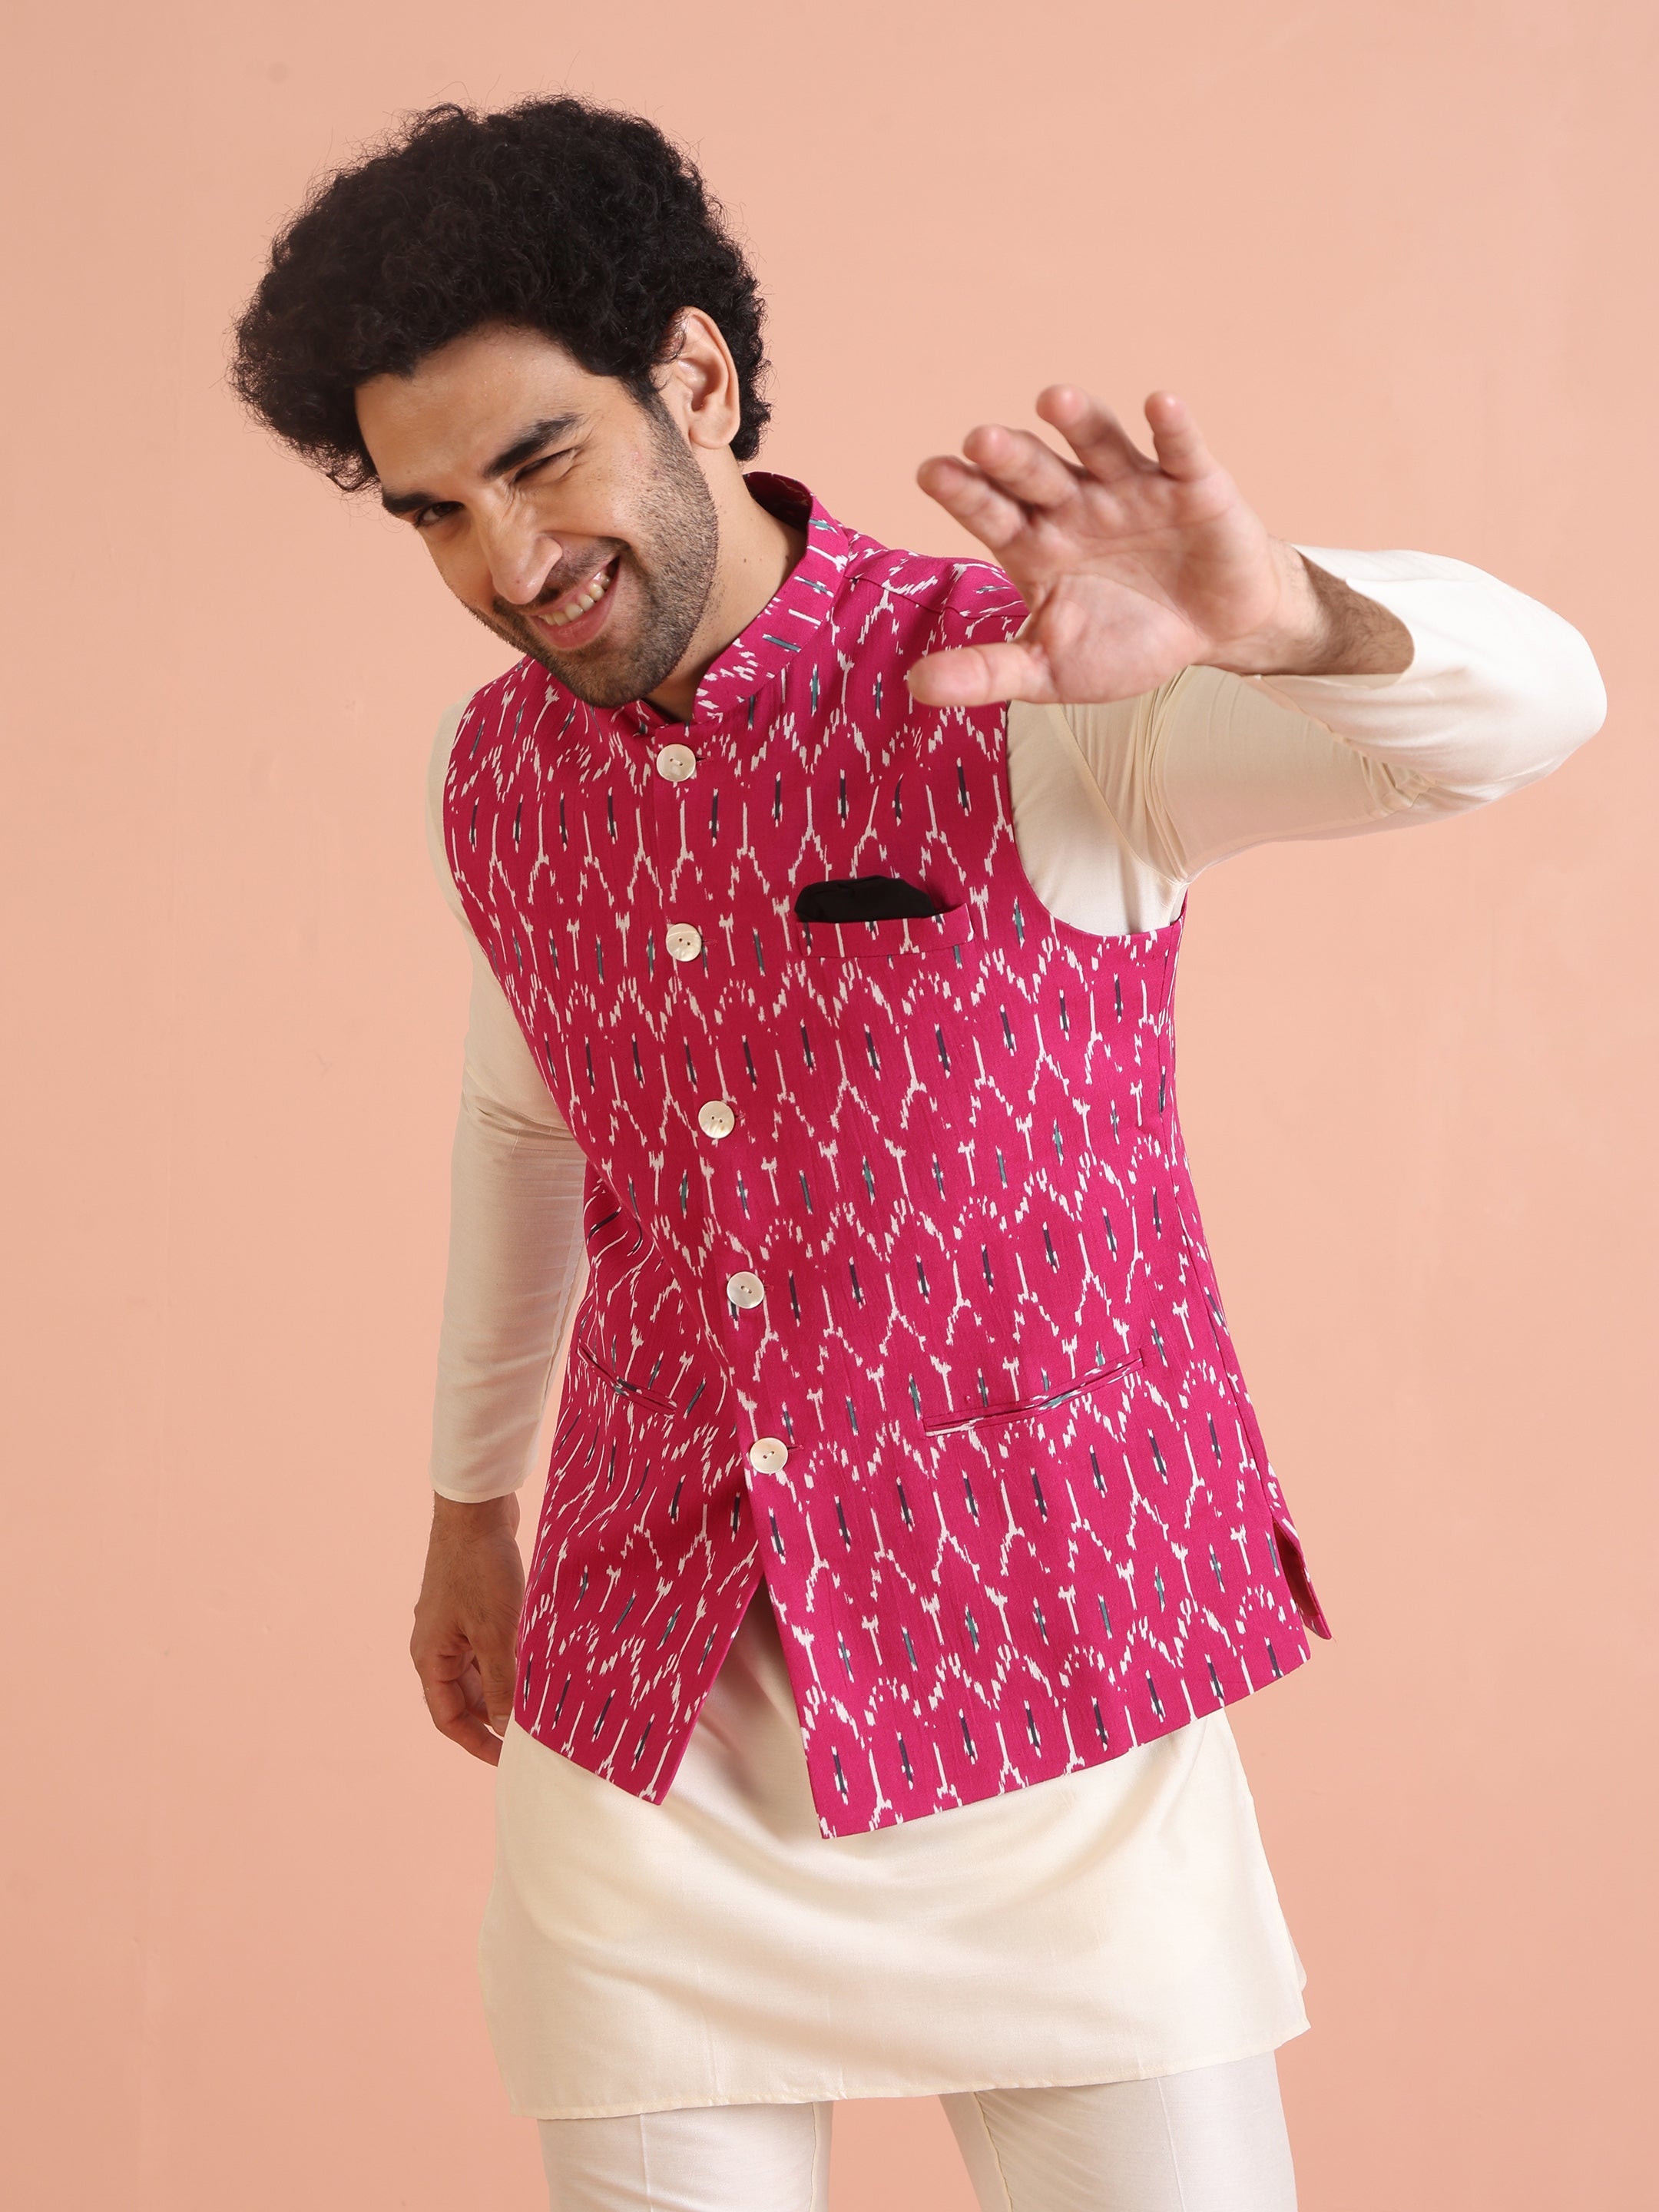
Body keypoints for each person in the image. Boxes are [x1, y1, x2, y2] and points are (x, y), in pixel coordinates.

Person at [231, 94, 1604, 2212]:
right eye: (433, 514)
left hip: (1056, 1689)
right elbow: (527, 1119)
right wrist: (465, 1506)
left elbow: (1539, 712)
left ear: (694, 378)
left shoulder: (1042, 675)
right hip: (653, 1718)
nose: (506, 567)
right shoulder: (487, 771)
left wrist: (1285, 625)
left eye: (539, 461)